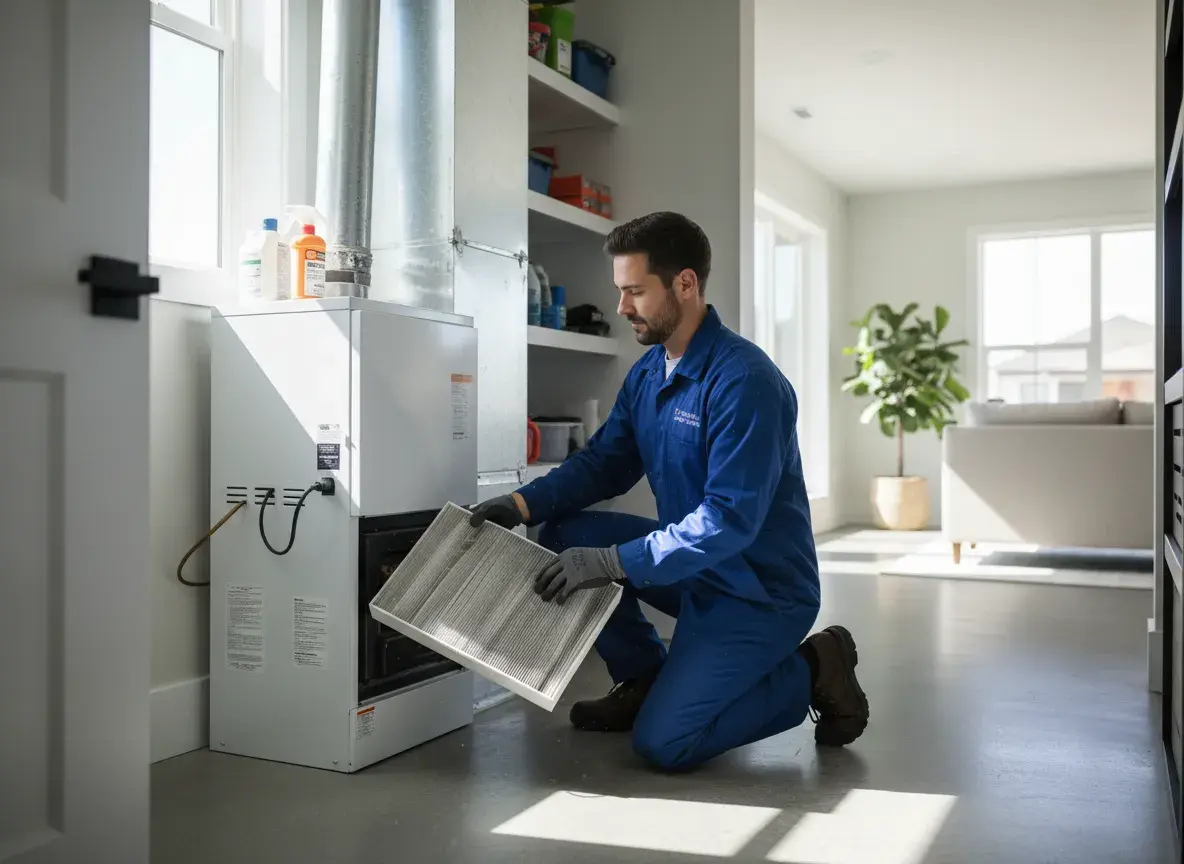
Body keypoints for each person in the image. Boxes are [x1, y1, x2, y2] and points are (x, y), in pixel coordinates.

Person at [470, 212, 868, 771]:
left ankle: (815, 667)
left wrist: (611, 562)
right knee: (566, 532)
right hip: (697, 570)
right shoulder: (649, 373)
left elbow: (729, 519)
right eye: (620, 291)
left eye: (635, 291)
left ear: (685, 284)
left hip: (759, 591)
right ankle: (644, 679)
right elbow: (605, 463)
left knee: (666, 742)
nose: (622, 307)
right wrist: (520, 504)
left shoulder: (745, 382)